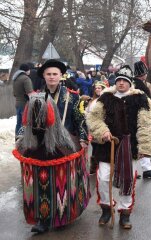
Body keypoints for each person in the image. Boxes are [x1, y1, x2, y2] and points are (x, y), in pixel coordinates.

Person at [14, 59, 89, 233]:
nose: (52, 77)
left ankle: (63, 215)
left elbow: (80, 119)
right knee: (41, 183)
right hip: (39, 147)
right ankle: (43, 219)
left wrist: (84, 138)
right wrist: (21, 137)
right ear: (44, 77)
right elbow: (26, 120)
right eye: (48, 74)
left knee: (63, 183)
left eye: (55, 74)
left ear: (61, 76)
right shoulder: (35, 97)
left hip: (65, 146)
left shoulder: (72, 96)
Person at [86, 65, 151, 229]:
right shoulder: (106, 98)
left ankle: (125, 213)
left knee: (127, 180)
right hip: (107, 146)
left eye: (125, 81)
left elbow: (146, 125)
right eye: (119, 80)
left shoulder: (141, 99)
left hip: (128, 146)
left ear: (130, 83)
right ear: (115, 82)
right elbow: (94, 118)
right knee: (103, 178)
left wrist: (145, 147)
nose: (121, 83)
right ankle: (106, 207)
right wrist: (102, 131)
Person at [85, 81, 107, 174]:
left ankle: (102, 167)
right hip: (92, 127)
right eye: (96, 88)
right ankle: (94, 167)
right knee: (94, 147)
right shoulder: (92, 100)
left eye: (100, 88)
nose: (97, 89)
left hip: (102, 126)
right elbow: (88, 111)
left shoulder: (105, 100)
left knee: (102, 147)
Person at [12, 63, 34, 138]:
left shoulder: (15, 78)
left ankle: (17, 138)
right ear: (27, 70)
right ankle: (24, 140)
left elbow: (14, 93)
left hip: (17, 103)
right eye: (29, 70)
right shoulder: (26, 78)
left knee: (19, 122)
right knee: (25, 123)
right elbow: (30, 93)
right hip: (25, 104)